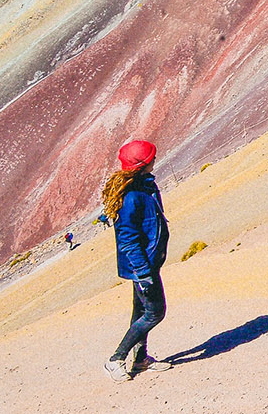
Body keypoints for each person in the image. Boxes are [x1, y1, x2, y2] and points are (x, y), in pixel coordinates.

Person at [102, 139, 172, 381]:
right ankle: (116, 359)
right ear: (143, 164)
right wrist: (143, 273)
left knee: (141, 312)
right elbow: (128, 240)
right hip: (142, 266)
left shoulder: (143, 185)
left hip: (148, 262)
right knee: (155, 313)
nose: (155, 159)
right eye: (151, 157)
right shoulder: (132, 197)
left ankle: (141, 359)